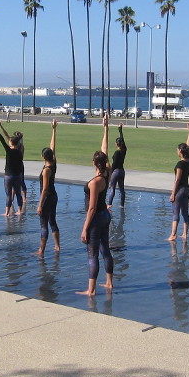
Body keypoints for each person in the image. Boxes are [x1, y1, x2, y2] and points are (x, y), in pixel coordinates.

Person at [77, 115, 114, 296]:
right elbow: (104, 149)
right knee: (105, 249)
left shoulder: (94, 183)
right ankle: (109, 283)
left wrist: (84, 229)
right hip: (106, 217)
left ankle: (91, 290)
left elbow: (91, 208)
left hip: (96, 218)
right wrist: (105, 128)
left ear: (94, 163)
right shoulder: (107, 173)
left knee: (92, 254)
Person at [36, 119, 60, 255]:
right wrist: (54, 129)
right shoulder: (53, 163)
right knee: (53, 221)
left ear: (43, 156)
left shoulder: (46, 170)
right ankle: (57, 246)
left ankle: (41, 250)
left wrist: (40, 205)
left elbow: (44, 189)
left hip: (47, 198)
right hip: (54, 196)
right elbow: (53, 147)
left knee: (44, 224)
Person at [168, 122, 189, 241]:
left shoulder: (180, 164)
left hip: (180, 190)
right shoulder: (188, 160)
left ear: (180, 152)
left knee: (175, 212)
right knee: (185, 213)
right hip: (187, 189)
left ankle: (173, 234)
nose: (176, 151)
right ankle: (185, 234)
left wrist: (173, 193)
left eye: (178, 150)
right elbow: (187, 147)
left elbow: (177, 179)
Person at [0, 120, 24, 216]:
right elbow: (8, 139)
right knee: (18, 193)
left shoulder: (9, 151)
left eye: (10, 141)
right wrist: (1, 127)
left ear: (11, 143)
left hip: (9, 175)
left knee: (8, 194)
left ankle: (7, 213)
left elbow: (3, 140)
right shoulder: (20, 150)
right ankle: (20, 211)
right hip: (18, 175)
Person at [107, 122, 127, 209]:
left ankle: (109, 204)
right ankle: (122, 205)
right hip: (122, 171)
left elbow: (114, 164)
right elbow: (123, 140)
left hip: (116, 172)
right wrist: (120, 130)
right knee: (122, 189)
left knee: (112, 189)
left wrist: (110, 174)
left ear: (116, 144)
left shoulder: (116, 153)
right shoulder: (124, 150)